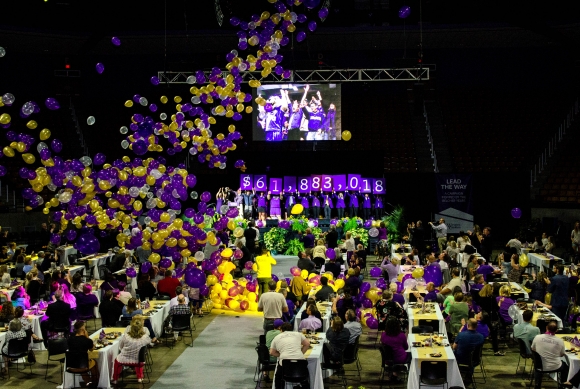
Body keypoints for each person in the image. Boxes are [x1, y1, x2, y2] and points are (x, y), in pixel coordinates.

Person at [112, 316, 152, 385]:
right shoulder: (145, 338)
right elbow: (148, 343)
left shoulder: (126, 336)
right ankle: (139, 377)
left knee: (116, 360)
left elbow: (120, 347)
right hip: (139, 361)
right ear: (142, 327)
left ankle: (115, 379)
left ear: (131, 327)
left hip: (124, 359)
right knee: (139, 355)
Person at [270, 322, 310, 389]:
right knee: (305, 375)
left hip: (285, 364)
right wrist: (301, 352)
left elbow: (271, 352)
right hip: (300, 364)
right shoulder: (298, 334)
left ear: (281, 330)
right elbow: (307, 344)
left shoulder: (277, 337)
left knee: (278, 377)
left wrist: (281, 354)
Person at [531, 321, 569, 389]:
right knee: (566, 367)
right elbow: (562, 354)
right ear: (556, 330)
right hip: (555, 366)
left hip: (539, 366)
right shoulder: (560, 341)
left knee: (538, 364)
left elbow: (533, 349)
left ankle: (537, 384)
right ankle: (563, 384)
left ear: (546, 327)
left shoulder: (537, 337)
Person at [67, 321, 99, 387]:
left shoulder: (69, 339)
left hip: (70, 364)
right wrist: (87, 337)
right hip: (82, 365)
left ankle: (88, 381)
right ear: (82, 329)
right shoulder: (87, 341)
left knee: (81, 360)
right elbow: (91, 349)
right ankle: (94, 383)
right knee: (94, 362)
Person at [380, 316, 411, 382]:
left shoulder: (383, 335)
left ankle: (395, 374)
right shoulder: (401, 335)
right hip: (400, 358)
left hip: (387, 359)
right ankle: (411, 376)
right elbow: (406, 347)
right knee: (411, 355)